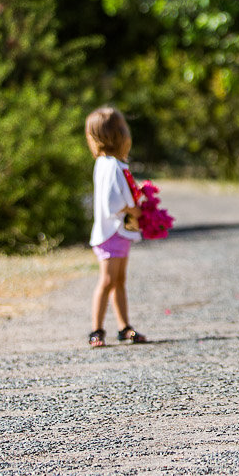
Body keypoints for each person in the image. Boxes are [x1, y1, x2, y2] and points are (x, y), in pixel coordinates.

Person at [84, 106, 149, 349]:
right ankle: (96, 329)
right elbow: (113, 203)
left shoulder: (110, 164)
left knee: (119, 280)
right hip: (110, 233)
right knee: (108, 280)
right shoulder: (110, 164)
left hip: (118, 233)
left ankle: (124, 327)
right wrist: (134, 210)